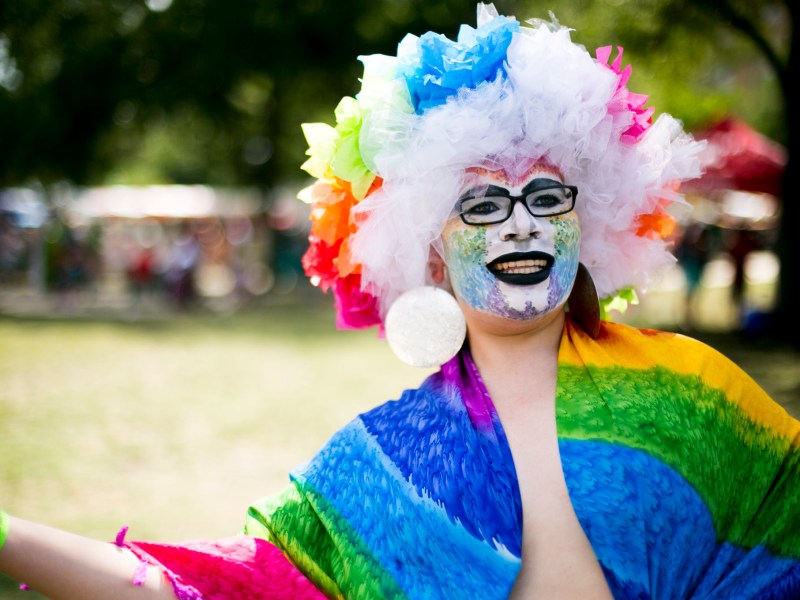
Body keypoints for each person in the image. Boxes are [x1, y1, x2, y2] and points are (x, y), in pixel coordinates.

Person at [2, 4, 799, 599]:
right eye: (483, 205)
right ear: (429, 249)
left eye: (546, 196)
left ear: (583, 222)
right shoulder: (386, 461)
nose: (520, 221)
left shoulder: (690, 388)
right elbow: (215, 588)